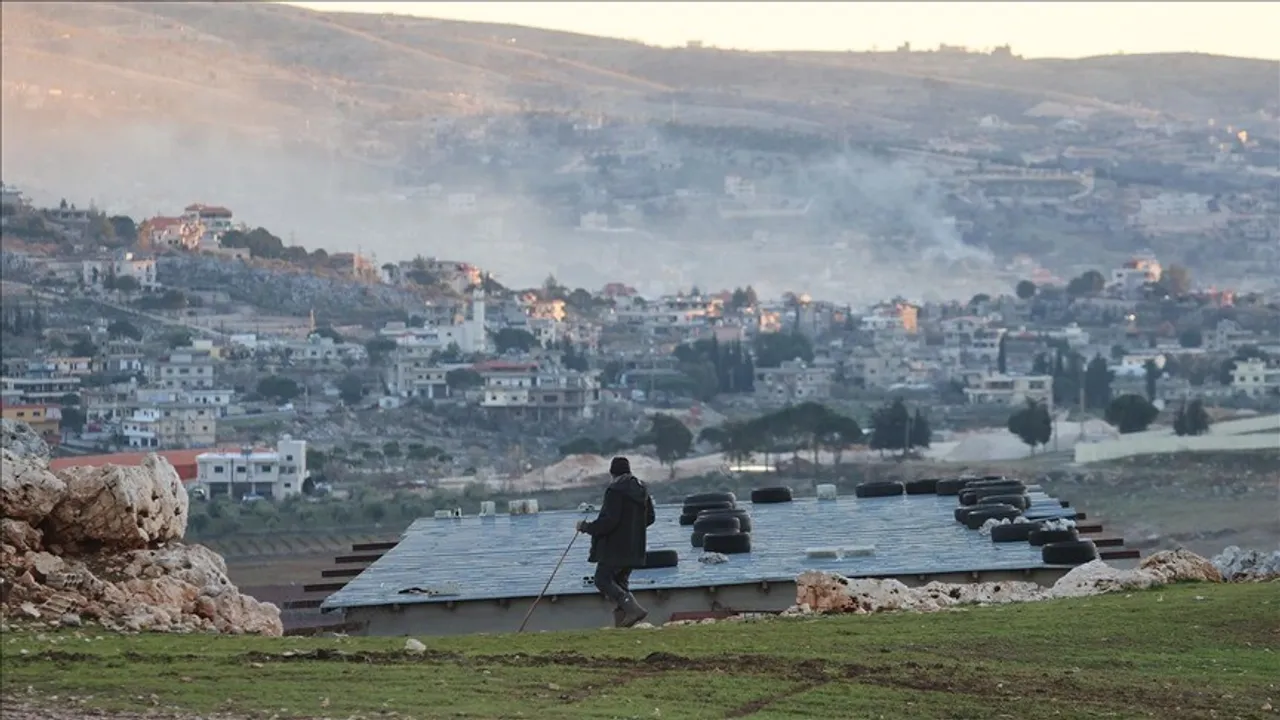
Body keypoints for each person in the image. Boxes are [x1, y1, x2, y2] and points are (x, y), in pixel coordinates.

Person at [576, 456, 656, 628]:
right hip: (635, 548)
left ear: (612, 473)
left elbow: (609, 521)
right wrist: (633, 530)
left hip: (615, 549)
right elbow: (650, 518)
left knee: (602, 579)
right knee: (620, 582)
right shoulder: (642, 490)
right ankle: (622, 625)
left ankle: (634, 610)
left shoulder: (615, 491)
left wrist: (586, 527)